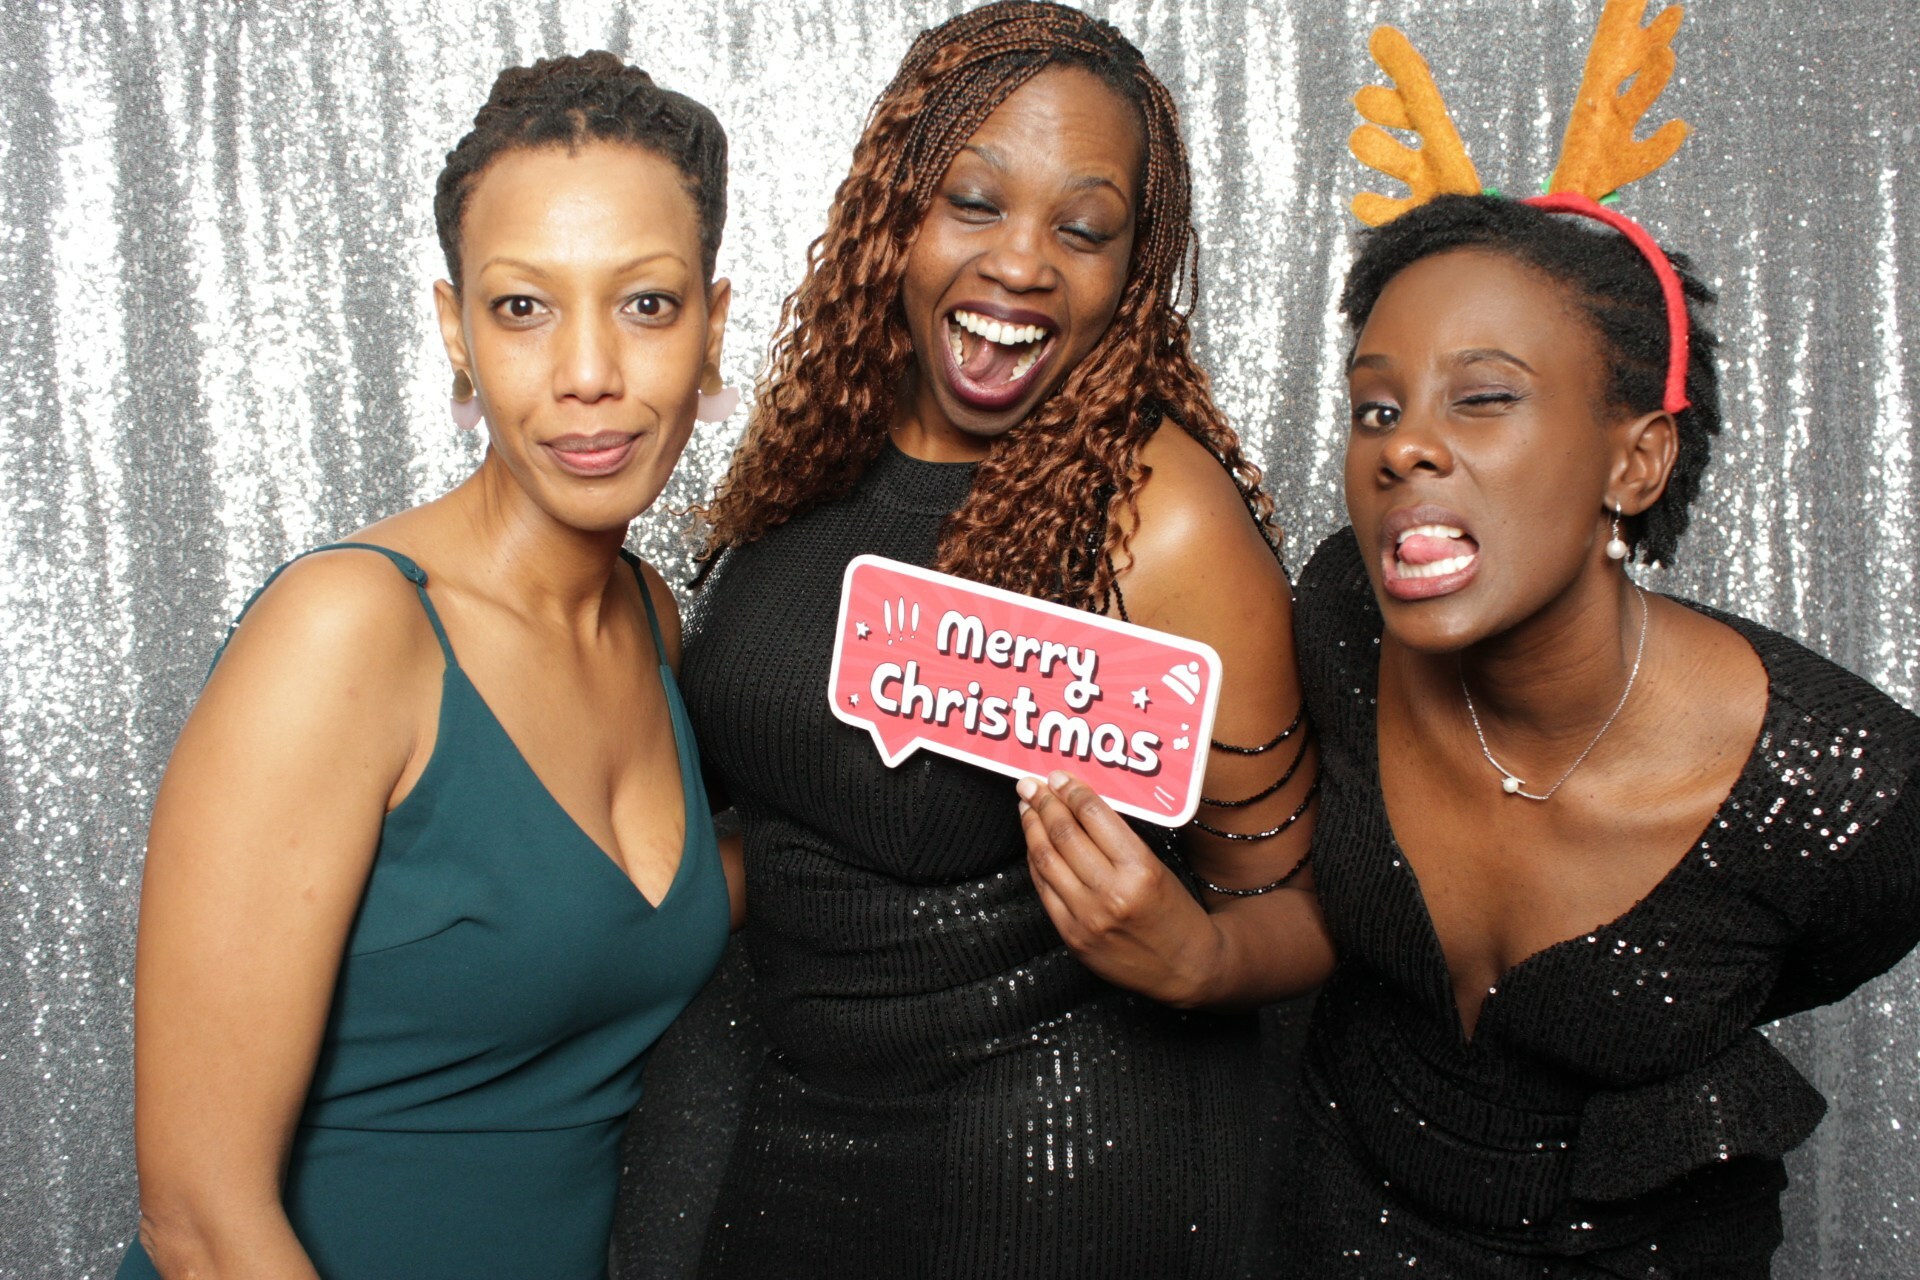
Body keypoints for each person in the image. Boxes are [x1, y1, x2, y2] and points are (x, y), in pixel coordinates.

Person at [1019, 33, 1920, 1271]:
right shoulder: (1342, 618)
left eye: (1483, 397)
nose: (1403, 446)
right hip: (1335, 1217)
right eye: (1376, 407)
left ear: (1636, 461)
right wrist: (1198, 951)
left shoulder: (1847, 787)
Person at [678, 3, 1321, 1275]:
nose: (1023, 261)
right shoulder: (820, 445)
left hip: (1053, 1161)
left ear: (1133, 268)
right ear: (895, 213)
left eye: (1083, 229)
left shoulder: (1159, 515)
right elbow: (791, 805)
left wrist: (1198, 958)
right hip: (795, 1119)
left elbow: (1297, 903)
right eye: (973, 204)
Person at [118, 53, 737, 1280]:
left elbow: (633, 915)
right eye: (524, 307)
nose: (589, 371)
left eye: (646, 303)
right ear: (456, 331)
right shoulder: (349, 629)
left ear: (713, 328)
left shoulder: (648, 618)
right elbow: (198, 1223)